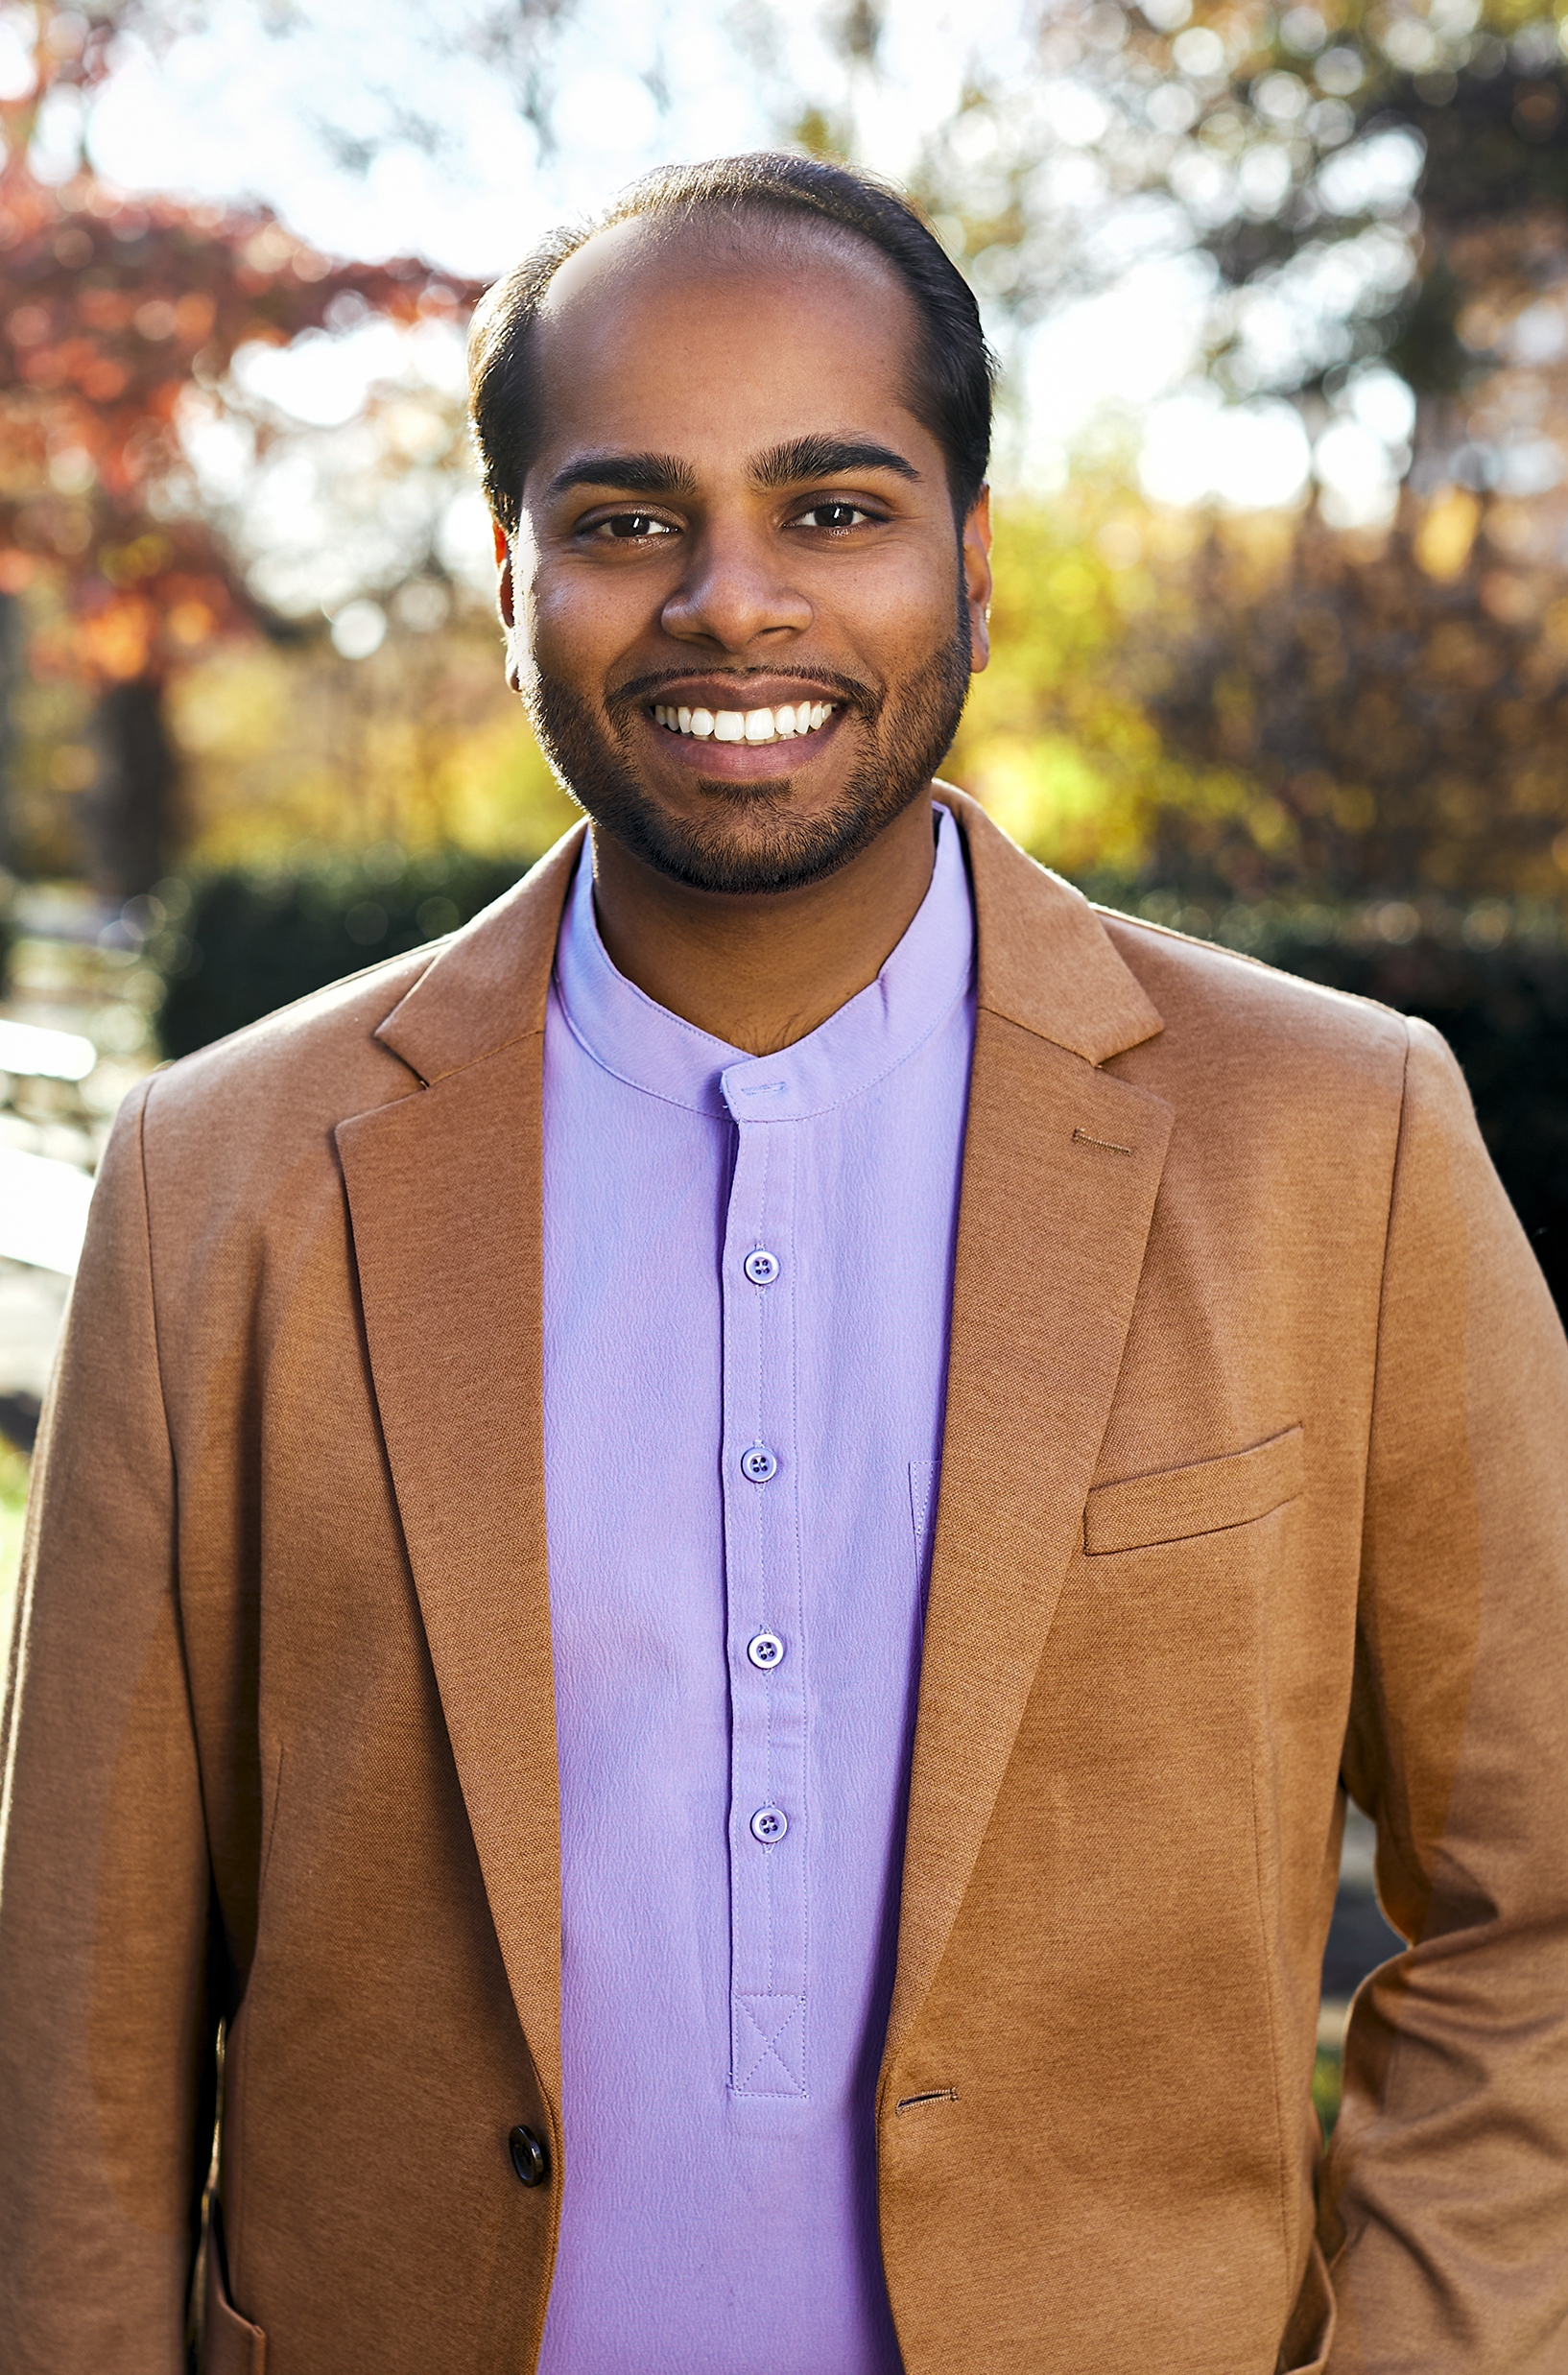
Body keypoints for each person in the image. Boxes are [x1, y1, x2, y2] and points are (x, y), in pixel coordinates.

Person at [1, 152, 1565, 2375]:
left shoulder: (1340, 1138)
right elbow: (79, 2015)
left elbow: (1537, 1906)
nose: (734, 601)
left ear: (975, 560)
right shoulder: (218, 1183)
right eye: (629, 517)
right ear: (511, 570)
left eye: (834, 505)